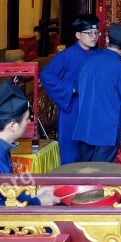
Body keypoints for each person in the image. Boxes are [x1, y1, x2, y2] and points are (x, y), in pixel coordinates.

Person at [72, 24, 121, 162]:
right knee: (101, 173)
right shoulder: (119, 67)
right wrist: (112, 101)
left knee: (84, 171)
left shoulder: (88, 61)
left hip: (85, 126)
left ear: (107, 39)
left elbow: (78, 88)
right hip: (107, 127)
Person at [39, 13, 100, 165]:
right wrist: (69, 89)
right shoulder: (66, 56)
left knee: (92, 145)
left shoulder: (99, 56)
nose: (94, 36)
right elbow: (46, 75)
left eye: (96, 33)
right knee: (71, 148)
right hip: (73, 107)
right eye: (89, 33)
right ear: (78, 35)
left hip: (93, 108)